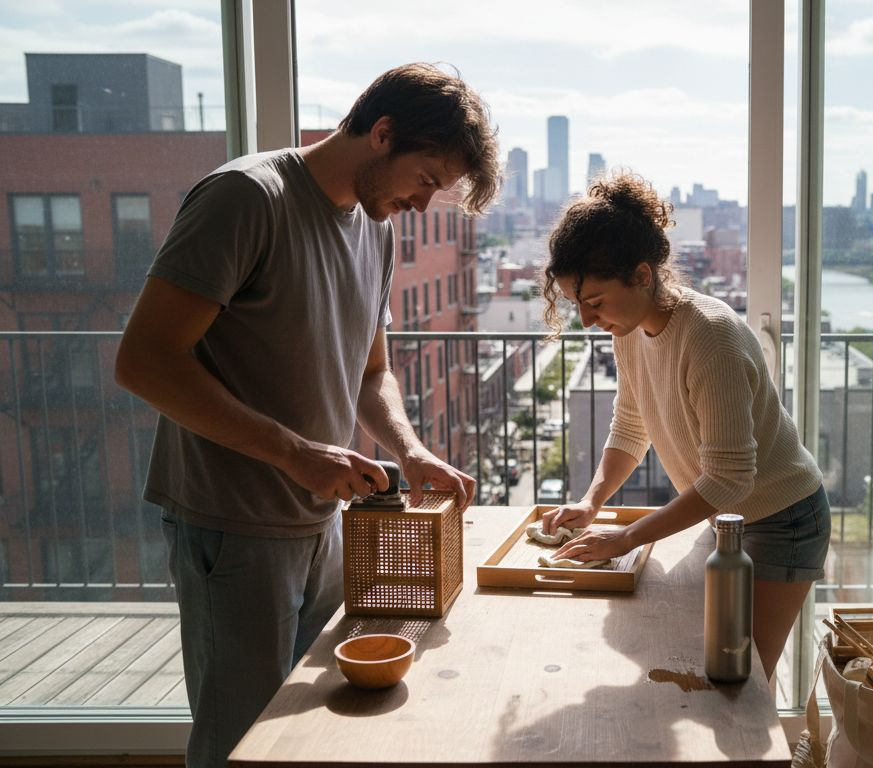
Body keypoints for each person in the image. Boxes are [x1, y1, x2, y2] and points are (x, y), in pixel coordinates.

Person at [114, 63, 500, 768]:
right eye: (426, 178)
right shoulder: (246, 197)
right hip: (231, 526)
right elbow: (143, 362)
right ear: (382, 133)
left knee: (315, 731)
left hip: (320, 522)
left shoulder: (374, 229)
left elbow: (371, 371)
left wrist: (410, 450)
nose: (422, 204)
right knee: (239, 742)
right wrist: (294, 452)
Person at [539, 172, 830, 680]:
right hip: (727, 515)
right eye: (576, 305)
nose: (586, 320)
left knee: (741, 676)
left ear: (643, 274)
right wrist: (593, 502)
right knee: (698, 653)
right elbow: (631, 426)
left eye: (596, 302)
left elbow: (728, 479)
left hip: (783, 519)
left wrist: (624, 539)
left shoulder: (710, 338)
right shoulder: (628, 330)